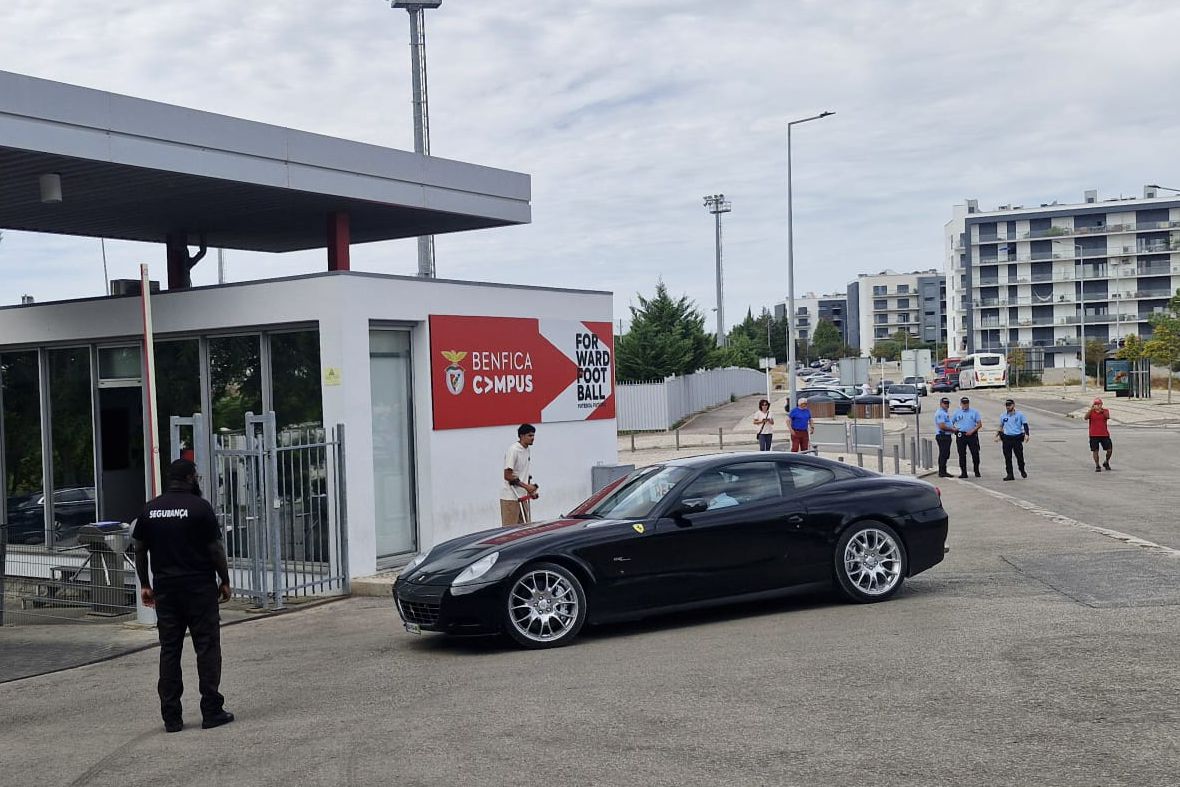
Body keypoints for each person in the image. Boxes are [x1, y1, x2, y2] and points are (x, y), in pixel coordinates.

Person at [132, 459, 234, 734]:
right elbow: (214, 549)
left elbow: (140, 550)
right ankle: (212, 710)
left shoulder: (150, 510)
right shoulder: (200, 508)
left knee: (170, 649)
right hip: (199, 588)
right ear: (190, 478)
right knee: (207, 647)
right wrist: (224, 580)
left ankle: (172, 717)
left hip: (166, 590)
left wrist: (144, 584)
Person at [501, 423, 539, 526]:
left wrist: (530, 491)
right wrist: (527, 487)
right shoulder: (513, 450)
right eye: (530, 435)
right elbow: (507, 475)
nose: (533, 438)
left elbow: (524, 473)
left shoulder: (527, 449)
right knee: (510, 530)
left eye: (533, 435)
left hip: (523, 496)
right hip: (511, 497)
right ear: (522, 436)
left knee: (524, 528)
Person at [995, 398, 1030, 480]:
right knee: (1007, 457)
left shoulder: (1020, 414)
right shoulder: (1003, 415)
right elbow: (1001, 426)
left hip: (1017, 437)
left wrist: (1027, 434)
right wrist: (997, 435)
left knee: (1019, 457)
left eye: (1009, 405)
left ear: (1013, 405)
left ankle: (1022, 469)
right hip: (1007, 438)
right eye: (1006, 406)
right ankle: (1010, 474)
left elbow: (1025, 424)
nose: (1008, 407)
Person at [950, 396, 983, 478]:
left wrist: (972, 431)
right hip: (961, 435)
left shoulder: (974, 412)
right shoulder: (957, 413)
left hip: (972, 434)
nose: (965, 405)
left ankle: (976, 470)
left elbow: (979, 424)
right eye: (963, 403)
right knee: (962, 454)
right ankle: (963, 472)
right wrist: (955, 430)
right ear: (961, 404)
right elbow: (951, 423)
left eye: (966, 403)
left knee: (975, 453)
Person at [1084, 397, 1113, 472]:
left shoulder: (1105, 411)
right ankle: (1097, 465)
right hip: (1094, 434)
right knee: (1095, 450)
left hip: (1104, 434)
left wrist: (1101, 411)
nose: (1098, 406)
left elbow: (1107, 417)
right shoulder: (1091, 412)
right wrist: (1091, 410)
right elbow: (1085, 418)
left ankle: (1106, 461)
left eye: (1099, 404)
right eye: (1096, 404)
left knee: (1109, 449)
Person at [933, 397, 955, 477]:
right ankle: (942, 472)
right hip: (942, 436)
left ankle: (943, 470)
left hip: (946, 435)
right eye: (945, 403)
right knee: (943, 454)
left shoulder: (944, 413)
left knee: (946, 454)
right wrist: (952, 429)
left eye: (947, 403)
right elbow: (942, 426)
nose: (946, 405)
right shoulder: (940, 413)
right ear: (941, 404)